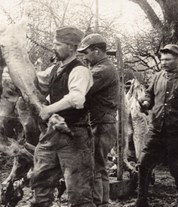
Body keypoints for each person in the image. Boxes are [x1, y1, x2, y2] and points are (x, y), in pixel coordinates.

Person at [30, 26, 96, 207]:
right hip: (51, 135)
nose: (54, 48)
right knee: (40, 183)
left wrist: (48, 109)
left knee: (78, 192)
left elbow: (76, 98)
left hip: (74, 136)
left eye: (58, 44)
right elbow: (37, 81)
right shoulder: (54, 70)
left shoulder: (80, 71)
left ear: (72, 47)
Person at [135, 44, 178, 207]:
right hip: (156, 129)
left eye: (168, 59)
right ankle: (141, 200)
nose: (163, 62)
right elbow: (150, 95)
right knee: (143, 164)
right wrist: (145, 101)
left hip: (176, 131)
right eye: (162, 59)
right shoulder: (158, 76)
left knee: (177, 168)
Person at [77, 33, 119, 207]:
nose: (84, 57)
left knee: (93, 166)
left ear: (96, 51)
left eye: (86, 53)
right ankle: (103, 202)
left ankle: (97, 202)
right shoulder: (104, 67)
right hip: (103, 122)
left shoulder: (102, 70)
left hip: (101, 124)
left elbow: (81, 88)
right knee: (99, 166)